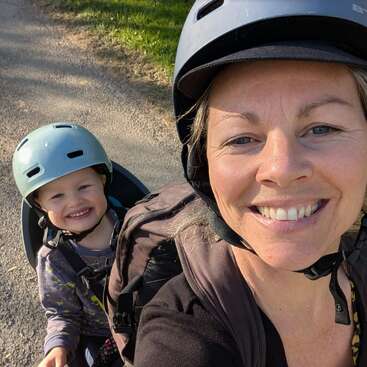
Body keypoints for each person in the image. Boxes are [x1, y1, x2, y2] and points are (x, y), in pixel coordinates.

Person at [126, 1, 367, 366]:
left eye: (323, 128)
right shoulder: (183, 340)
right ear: (202, 165)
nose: (282, 168)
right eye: (241, 138)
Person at [12, 123, 124, 367]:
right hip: (97, 338)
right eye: (56, 196)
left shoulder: (135, 226)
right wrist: (58, 346)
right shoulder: (54, 259)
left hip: (151, 322)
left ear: (103, 182)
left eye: (84, 186)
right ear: (40, 206)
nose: (75, 201)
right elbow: (62, 313)